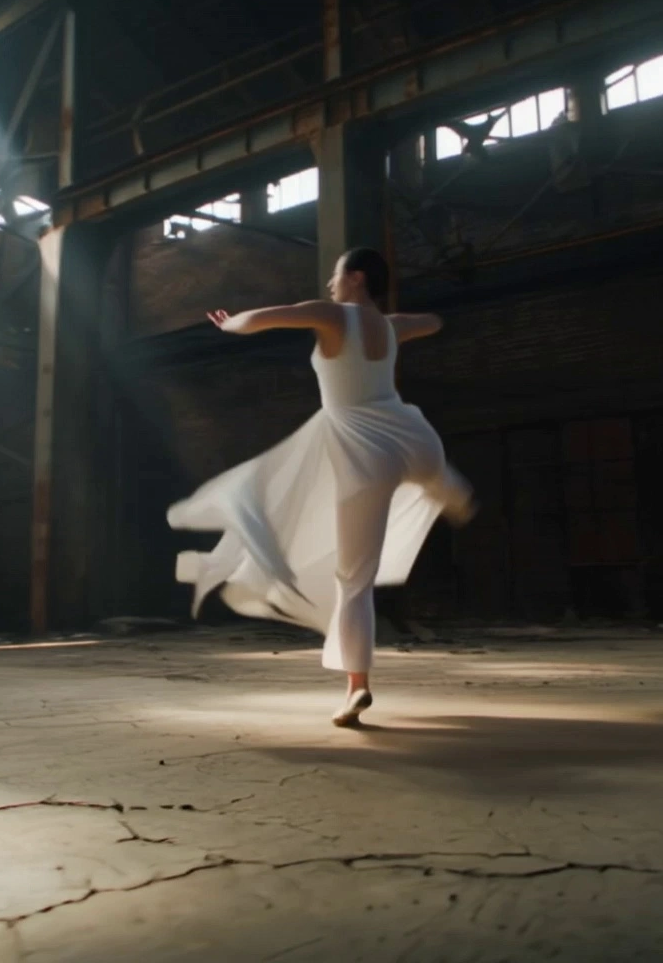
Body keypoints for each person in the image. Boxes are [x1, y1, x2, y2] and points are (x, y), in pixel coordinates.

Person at [167, 247, 474, 727]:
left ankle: (358, 688)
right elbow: (430, 321)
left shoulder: (332, 316)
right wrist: (427, 319)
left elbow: (268, 318)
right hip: (412, 438)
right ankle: (446, 486)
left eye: (336, 275)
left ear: (354, 277)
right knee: (426, 468)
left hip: (362, 451)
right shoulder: (392, 327)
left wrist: (230, 324)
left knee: (354, 580)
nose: (330, 284)